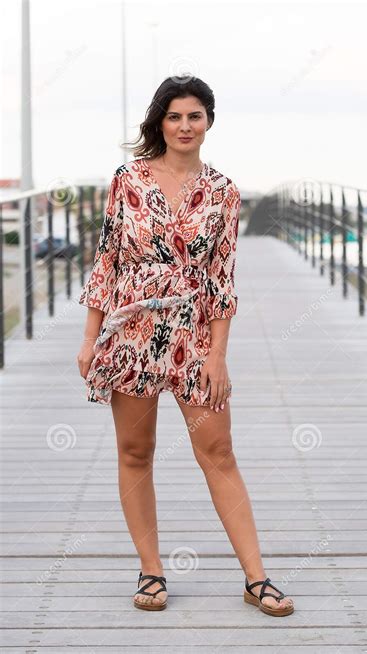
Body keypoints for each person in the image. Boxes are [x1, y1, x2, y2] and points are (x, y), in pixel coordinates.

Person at [76, 75, 294, 617]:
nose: (184, 126)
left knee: (217, 451)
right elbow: (108, 259)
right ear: (160, 122)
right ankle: (151, 572)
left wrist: (218, 354)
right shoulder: (128, 179)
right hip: (131, 331)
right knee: (135, 451)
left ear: (209, 122)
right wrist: (89, 338)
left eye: (194, 116)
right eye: (174, 116)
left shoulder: (223, 191)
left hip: (195, 334)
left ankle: (256, 578)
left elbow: (222, 277)